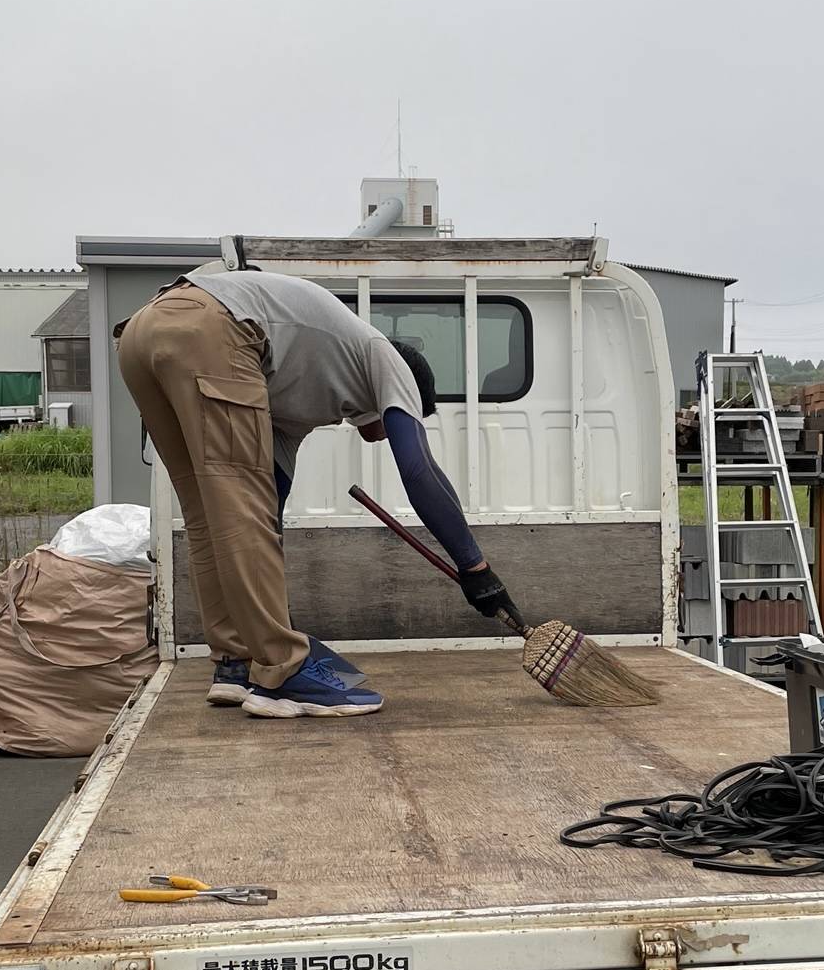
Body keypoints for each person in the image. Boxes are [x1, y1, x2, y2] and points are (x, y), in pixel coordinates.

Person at [116, 259, 522, 718]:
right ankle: (284, 671)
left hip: (142, 335)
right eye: (396, 417)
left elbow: (266, 506)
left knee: (211, 518)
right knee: (235, 516)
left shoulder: (298, 397)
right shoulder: (385, 356)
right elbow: (419, 469)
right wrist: (475, 567)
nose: (385, 431)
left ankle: (235, 662)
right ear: (400, 394)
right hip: (214, 327)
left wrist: (263, 590)